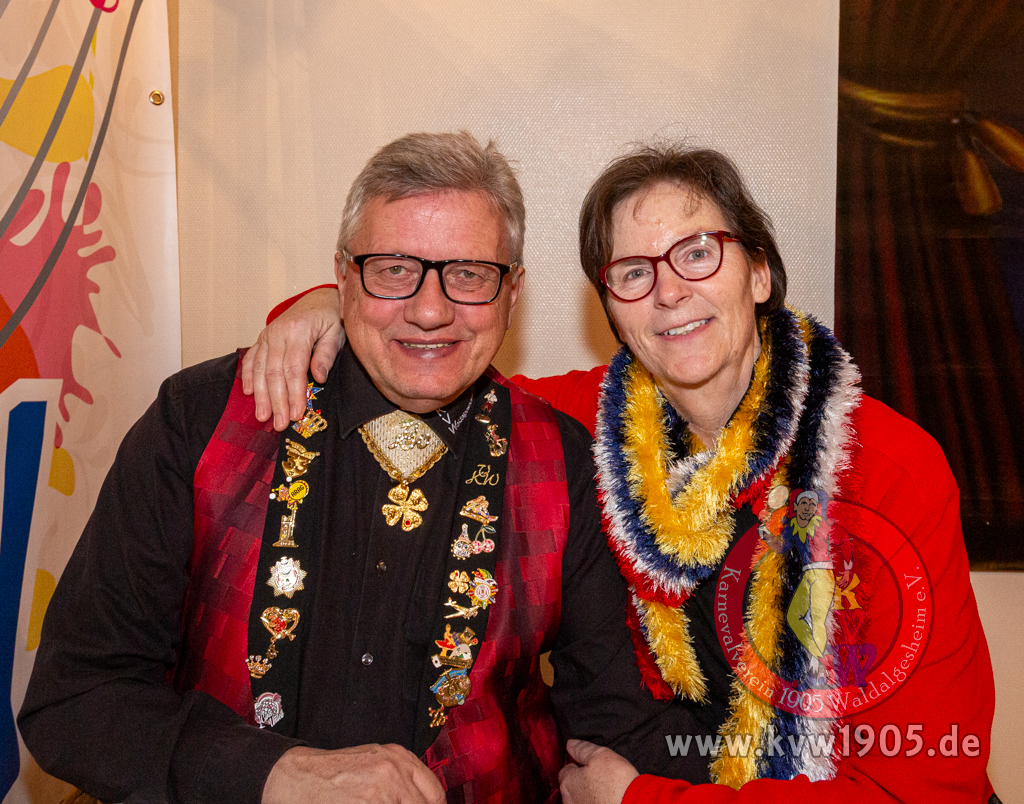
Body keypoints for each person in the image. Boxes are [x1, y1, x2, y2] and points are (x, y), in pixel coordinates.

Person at [246, 144, 997, 803]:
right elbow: (433, 366)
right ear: (611, 308)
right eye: (633, 273)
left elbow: (926, 792)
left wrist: (641, 801)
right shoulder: (586, 427)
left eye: (697, 254)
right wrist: (329, 305)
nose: (669, 292)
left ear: (761, 273)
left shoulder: (886, 469)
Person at [18, 132, 688, 804]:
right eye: (393, 269)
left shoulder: (564, 461)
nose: (431, 310)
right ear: (341, 277)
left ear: (512, 293)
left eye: (469, 274)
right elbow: (76, 699)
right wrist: (271, 773)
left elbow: (611, 720)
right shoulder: (200, 422)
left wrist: (742, 761)